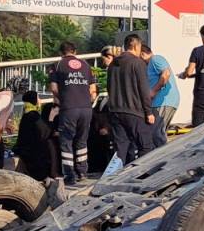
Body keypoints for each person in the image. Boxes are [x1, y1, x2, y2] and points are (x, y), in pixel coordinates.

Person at [50, 42, 97, 183]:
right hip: (86, 108)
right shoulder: (86, 65)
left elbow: (53, 88)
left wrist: (63, 98)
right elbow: (93, 91)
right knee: (82, 141)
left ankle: (70, 176)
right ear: (75, 51)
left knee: (66, 141)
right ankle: (82, 172)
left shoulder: (57, 66)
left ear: (61, 53)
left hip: (69, 108)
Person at [106, 33, 156, 164]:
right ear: (136, 46)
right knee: (145, 145)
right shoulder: (137, 63)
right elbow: (144, 89)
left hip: (115, 110)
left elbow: (109, 87)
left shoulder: (112, 65)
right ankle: (142, 176)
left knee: (120, 148)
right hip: (134, 110)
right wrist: (149, 112)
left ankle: (116, 177)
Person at [12, 90, 58, 181]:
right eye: (38, 98)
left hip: (24, 150)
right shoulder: (34, 115)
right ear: (34, 100)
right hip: (33, 154)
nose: (40, 100)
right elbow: (45, 133)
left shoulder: (26, 114)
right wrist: (51, 119)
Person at [142, 45, 179, 147]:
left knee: (157, 134)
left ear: (142, 54)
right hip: (161, 102)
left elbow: (166, 73)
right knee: (157, 133)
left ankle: (161, 158)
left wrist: (153, 91)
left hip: (163, 101)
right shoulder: (150, 64)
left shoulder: (155, 59)